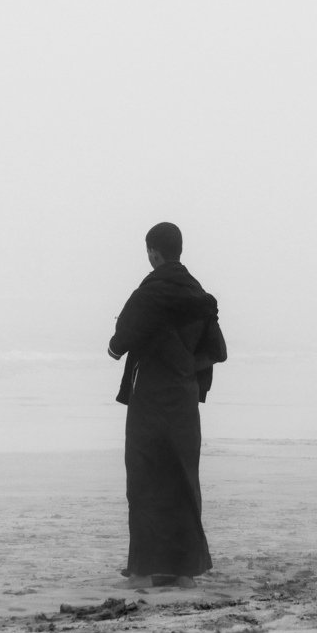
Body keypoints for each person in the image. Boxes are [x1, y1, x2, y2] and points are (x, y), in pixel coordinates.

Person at [108, 222, 227, 589]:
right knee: (182, 480)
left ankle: (143, 571)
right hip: (183, 404)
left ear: (154, 253)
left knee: (144, 482)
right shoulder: (202, 298)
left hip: (148, 403)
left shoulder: (147, 295)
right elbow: (218, 352)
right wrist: (185, 366)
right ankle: (183, 572)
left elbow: (117, 346)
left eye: (148, 252)